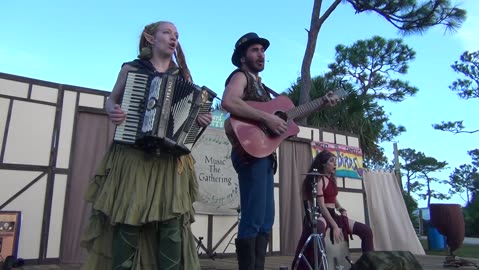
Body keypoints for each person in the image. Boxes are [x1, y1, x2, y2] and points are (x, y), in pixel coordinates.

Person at [80, 21, 212, 270]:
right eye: (167, 32)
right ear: (150, 38)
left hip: (170, 161)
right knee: (128, 221)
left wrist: (199, 121)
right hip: (133, 154)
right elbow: (110, 101)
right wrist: (113, 111)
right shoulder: (132, 69)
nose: (173, 38)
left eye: (176, 35)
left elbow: (189, 119)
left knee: (171, 226)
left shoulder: (182, 77)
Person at [221, 32, 338, 270]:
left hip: (265, 156)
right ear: (242, 57)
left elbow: (288, 117)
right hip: (250, 153)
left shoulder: (263, 89)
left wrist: (322, 102)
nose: (261, 54)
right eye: (254, 50)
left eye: (262, 50)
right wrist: (268, 119)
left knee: (266, 220)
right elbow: (229, 102)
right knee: (254, 219)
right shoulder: (240, 76)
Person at [292, 150, 374, 269]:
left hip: (333, 213)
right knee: (318, 229)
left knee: (366, 231)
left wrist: (340, 208)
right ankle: (321, 266)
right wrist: (335, 226)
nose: (334, 164)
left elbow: (332, 198)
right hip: (322, 213)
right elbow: (321, 205)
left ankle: (369, 266)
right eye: (331, 161)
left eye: (335, 161)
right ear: (323, 164)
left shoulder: (332, 179)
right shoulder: (319, 180)